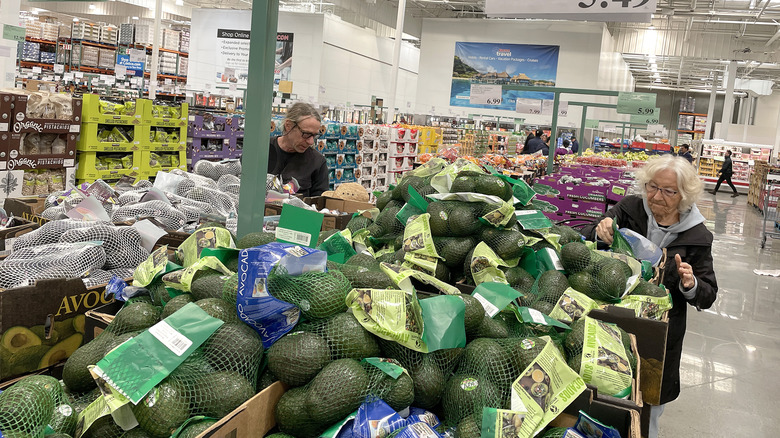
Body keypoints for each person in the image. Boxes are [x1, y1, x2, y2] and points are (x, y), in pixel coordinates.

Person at [581, 155, 718, 438]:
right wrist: (599, 232)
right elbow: (584, 240)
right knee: (604, 392)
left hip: (658, 336)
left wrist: (690, 284)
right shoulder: (630, 208)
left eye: (668, 191)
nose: (657, 196)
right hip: (611, 317)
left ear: (684, 195)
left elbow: (707, 295)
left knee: (649, 407)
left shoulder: (698, 235)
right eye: (652, 187)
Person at [268, 102, 329, 197]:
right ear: (288, 126)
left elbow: (319, 205)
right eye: (306, 134)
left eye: (314, 135)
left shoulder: (317, 162)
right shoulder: (261, 150)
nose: (311, 142)